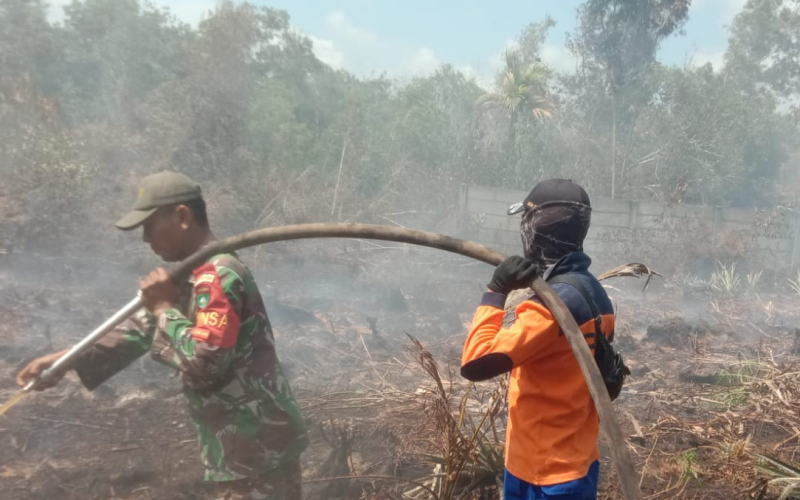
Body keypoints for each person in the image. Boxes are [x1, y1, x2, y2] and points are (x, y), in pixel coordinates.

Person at [17, 171, 308, 500]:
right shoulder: (192, 276)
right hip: (257, 444)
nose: (145, 239)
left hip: (251, 449)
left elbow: (206, 362)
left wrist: (163, 309)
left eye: (149, 225)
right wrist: (66, 360)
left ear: (182, 216)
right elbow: (143, 329)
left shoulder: (218, 274)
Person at [460, 179, 614, 500]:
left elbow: (475, 363)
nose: (522, 228)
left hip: (545, 476)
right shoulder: (593, 291)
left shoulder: (553, 306)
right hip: (575, 463)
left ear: (538, 227)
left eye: (524, 220)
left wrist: (496, 291)